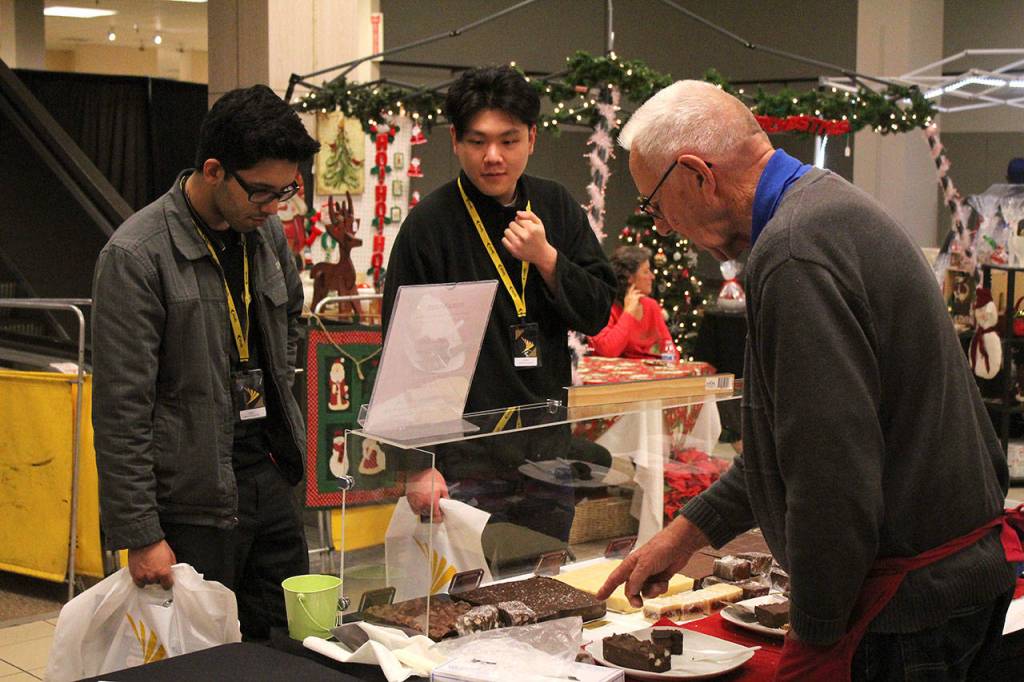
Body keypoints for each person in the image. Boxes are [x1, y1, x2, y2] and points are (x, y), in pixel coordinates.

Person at [597, 80, 1016, 680]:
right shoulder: (823, 207)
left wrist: (816, 634)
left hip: (906, 612)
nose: (661, 227)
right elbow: (790, 446)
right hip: (952, 584)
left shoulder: (793, 253)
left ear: (697, 174)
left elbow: (830, 472)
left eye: (654, 205)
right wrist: (687, 533)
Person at [92, 84, 319, 641]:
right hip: (191, 503)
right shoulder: (136, 256)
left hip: (269, 477)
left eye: (286, 190)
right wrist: (141, 533)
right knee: (203, 658)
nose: (275, 207)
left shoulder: (265, 236)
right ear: (214, 170)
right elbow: (121, 409)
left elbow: (290, 316)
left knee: (290, 646)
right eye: (262, 192)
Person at [381, 65, 616, 541]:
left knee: (543, 573)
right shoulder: (429, 226)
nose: (493, 157)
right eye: (478, 141)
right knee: (468, 585)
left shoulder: (555, 206)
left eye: (509, 141)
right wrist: (416, 465)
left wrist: (548, 259)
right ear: (455, 140)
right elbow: (401, 353)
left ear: (532, 138)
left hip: (546, 448)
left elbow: (597, 311)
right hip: (464, 458)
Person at [589, 245, 677, 361]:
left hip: (648, 370)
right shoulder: (605, 305)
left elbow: (671, 352)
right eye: (646, 272)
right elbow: (608, 351)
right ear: (629, 277)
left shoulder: (651, 306)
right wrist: (628, 313)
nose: (652, 276)